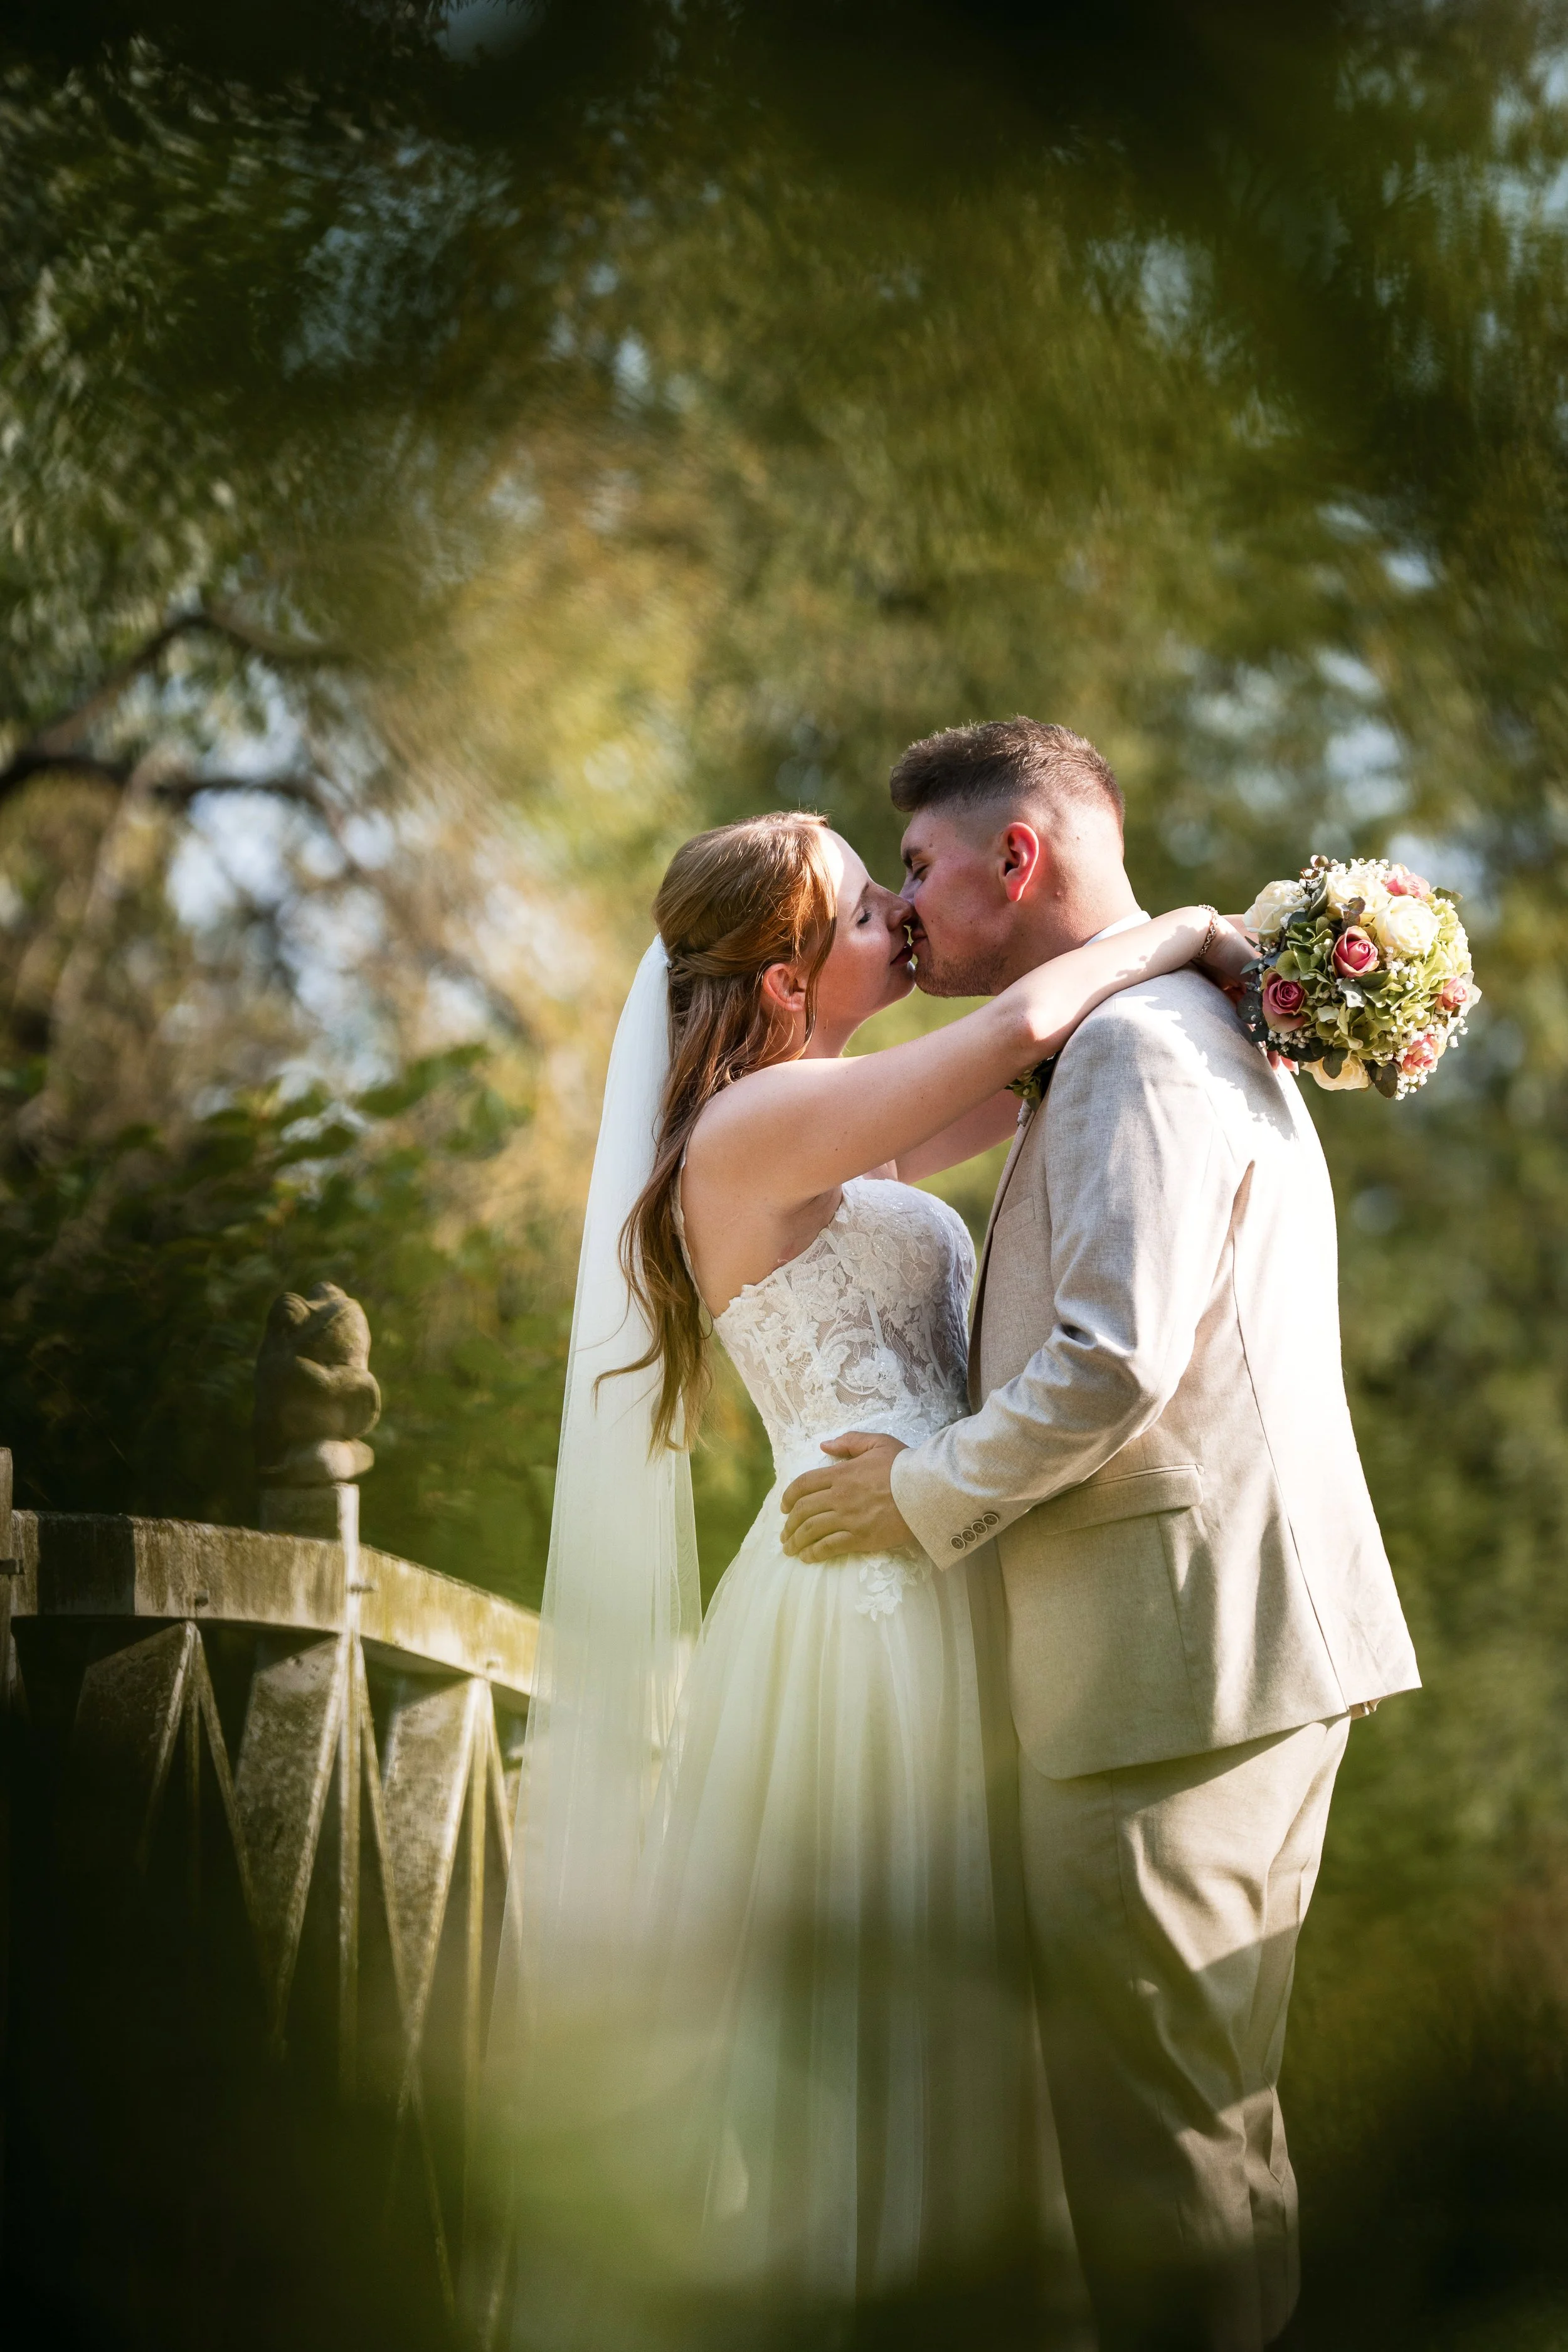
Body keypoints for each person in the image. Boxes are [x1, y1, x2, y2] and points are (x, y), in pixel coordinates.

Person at [474, 800, 1254, 2348]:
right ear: (779, 980)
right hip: (860, 1597)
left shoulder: (835, 1112)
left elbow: (1039, 1070)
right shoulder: (755, 1132)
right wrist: (1191, 933)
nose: (896, 920)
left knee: (968, 1995)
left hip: (930, 1544)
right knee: (884, 1992)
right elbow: (1035, 1016)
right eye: (858, 912)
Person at [780, 719, 1422, 2352]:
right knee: (1204, 2127)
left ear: (1019, 857)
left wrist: (918, 1495)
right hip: (1207, 1644)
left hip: (1169, 1662)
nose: (903, 903)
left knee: (1164, 2148)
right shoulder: (1138, 1036)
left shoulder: (1139, 1048)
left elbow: (1113, 1358)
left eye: (916, 865)